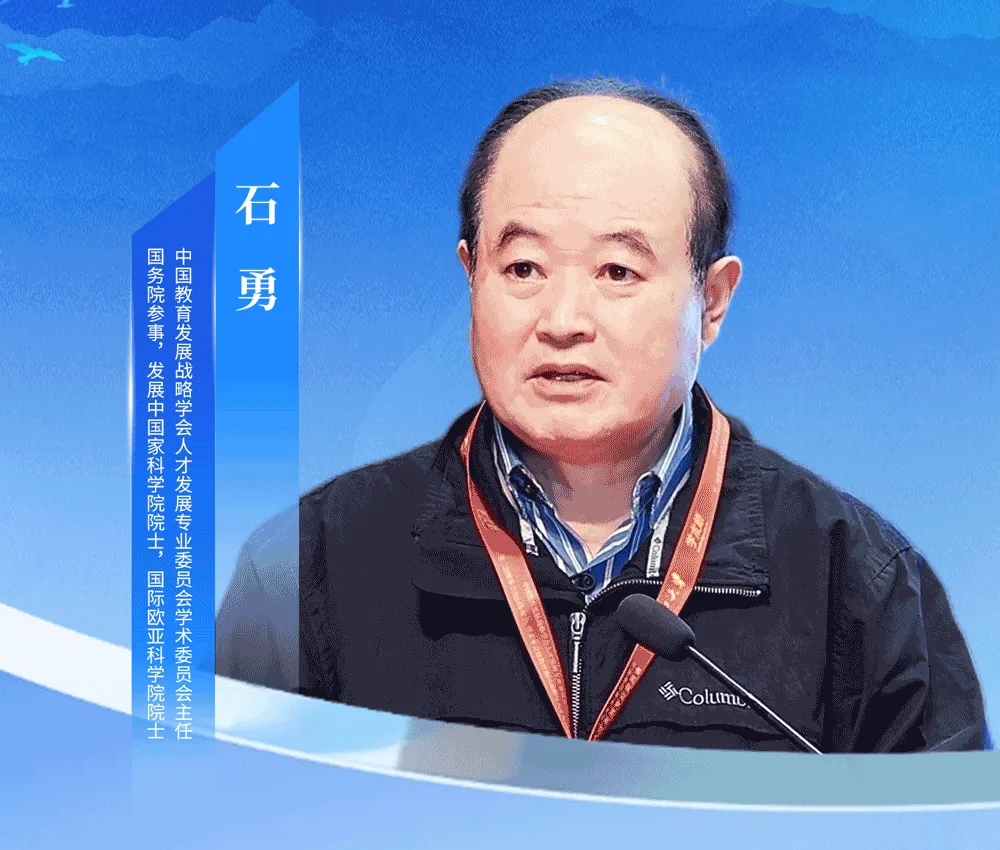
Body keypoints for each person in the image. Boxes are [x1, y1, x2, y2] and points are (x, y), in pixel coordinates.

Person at [216, 77, 988, 752]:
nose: (563, 320)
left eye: (617, 270)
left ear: (712, 302)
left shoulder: (858, 581)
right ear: (471, 276)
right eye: (523, 267)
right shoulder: (310, 566)